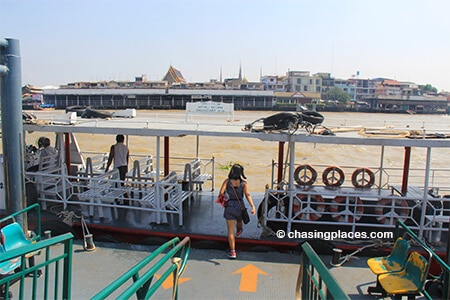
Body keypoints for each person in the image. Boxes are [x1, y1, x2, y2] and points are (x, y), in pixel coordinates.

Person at [218, 164, 256, 259]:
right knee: (239, 221)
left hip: (230, 206)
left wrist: (226, 196)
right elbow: (247, 194)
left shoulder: (227, 181)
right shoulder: (244, 184)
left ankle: (233, 252)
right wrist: (253, 206)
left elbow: (221, 193)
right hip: (240, 206)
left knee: (230, 231)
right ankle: (239, 230)